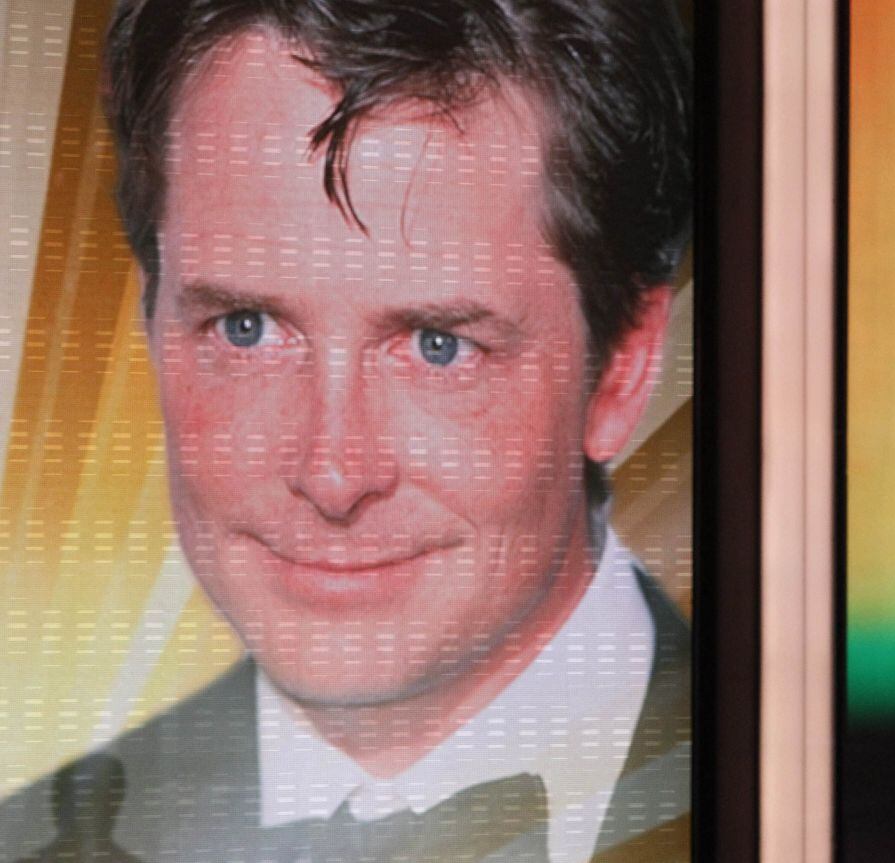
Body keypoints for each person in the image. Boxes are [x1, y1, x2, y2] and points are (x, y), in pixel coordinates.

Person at [0, 1, 691, 861]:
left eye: (439, 346)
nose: (332, 473)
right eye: (246, 326)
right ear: (151, 322)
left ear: (623, 365)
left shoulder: (823, 786)